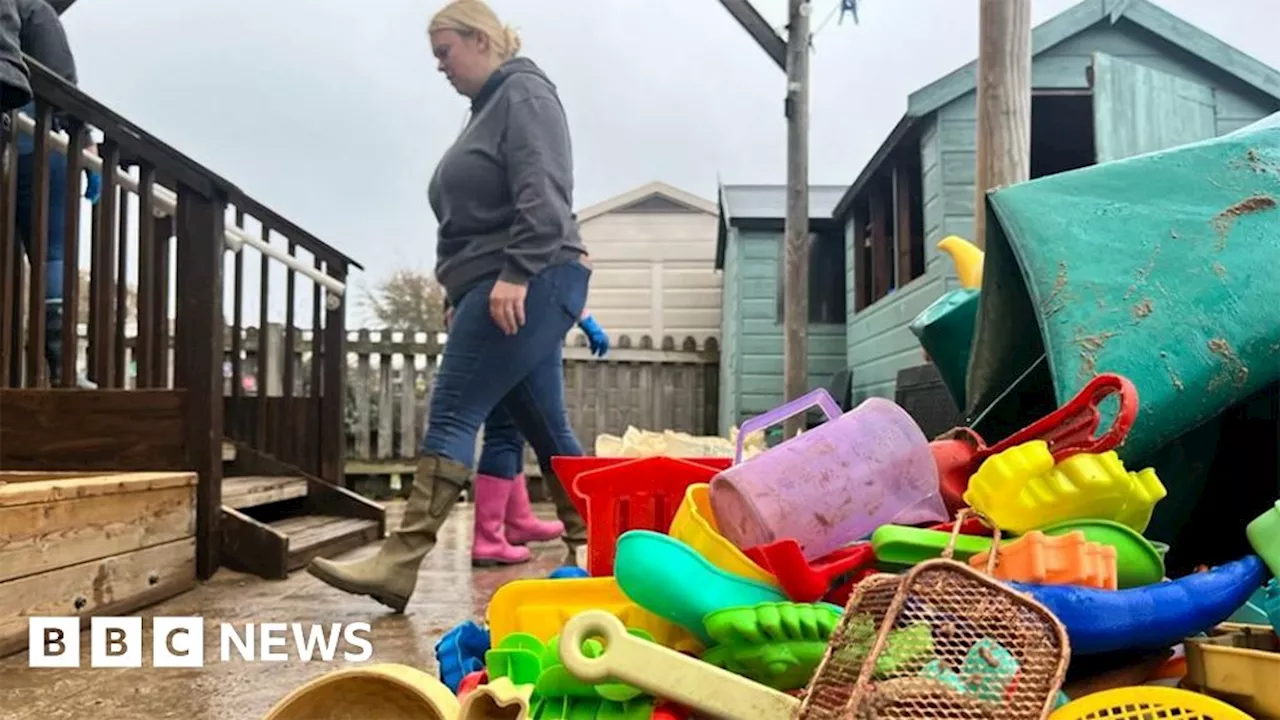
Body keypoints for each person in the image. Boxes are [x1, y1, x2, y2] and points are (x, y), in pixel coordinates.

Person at [308, 0, 592, 613]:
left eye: (446, 52)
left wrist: (514, 273)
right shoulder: (486, 110)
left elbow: (544, 190)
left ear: (482, 39)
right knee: (547, 426)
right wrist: (457, 291)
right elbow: (472, 217)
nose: (440, 67)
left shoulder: (524, 95)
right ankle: (599, 546)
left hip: (531, 275)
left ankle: (400, 560)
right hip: (502, 281)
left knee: (454, 413)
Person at [469, 308, 609, 567]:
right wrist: (584, 317)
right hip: (534, 323)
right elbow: (551, 275)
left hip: (490, 324)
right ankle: (586, 540)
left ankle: (509, 526)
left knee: (504, 430)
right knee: (554, 431)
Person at [13, 0, 100, 387]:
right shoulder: (31, 8)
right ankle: (61, 361)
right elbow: (60, 79)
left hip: (24, 141)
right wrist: (83, 135)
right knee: (53, 253)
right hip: (33, 143)